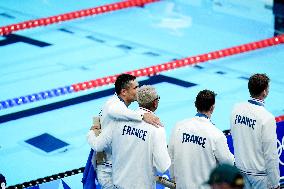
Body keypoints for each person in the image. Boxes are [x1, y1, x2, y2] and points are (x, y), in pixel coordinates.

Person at [86, 74, 162, 189]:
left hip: (117, 168)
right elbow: (114, 111)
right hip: (108, 172)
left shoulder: (120, 107)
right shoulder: (114, 105)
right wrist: (142, 115)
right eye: (135, 88)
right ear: (124, 92)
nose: (139, 90)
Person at [168, 89, 234, 189]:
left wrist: (173, 178)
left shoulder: (178, 126)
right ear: (212, 108)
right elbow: (228, 163)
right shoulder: (216, 134)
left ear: (195, 105)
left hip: (182, 185)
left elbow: (170, 156)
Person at [230, 73, 280, 189]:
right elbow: (271, 154)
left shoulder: (236, 109)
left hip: (240, 171)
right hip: (260, 176)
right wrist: (275, 183)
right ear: (264, 92)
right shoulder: (267, 118)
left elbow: (235, 136)